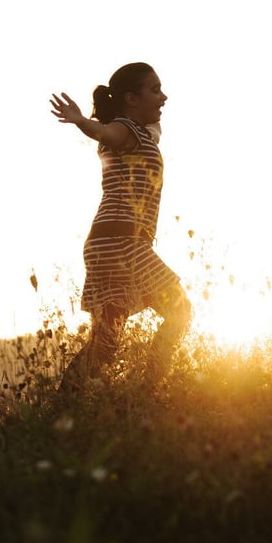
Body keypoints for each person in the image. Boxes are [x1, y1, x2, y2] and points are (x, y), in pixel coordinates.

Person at [50, 62, 192, 393]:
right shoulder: (124, 129)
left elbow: (151, 130)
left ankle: (62, 409)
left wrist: (148, 113)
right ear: (130, 98)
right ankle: (147, 394)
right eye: (154, 90)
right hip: (121, 242)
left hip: (109, 241)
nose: (163, 96)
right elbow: (106, 132)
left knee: (106, 342)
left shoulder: (142, 132)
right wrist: (83, 122)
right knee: (180, 310)